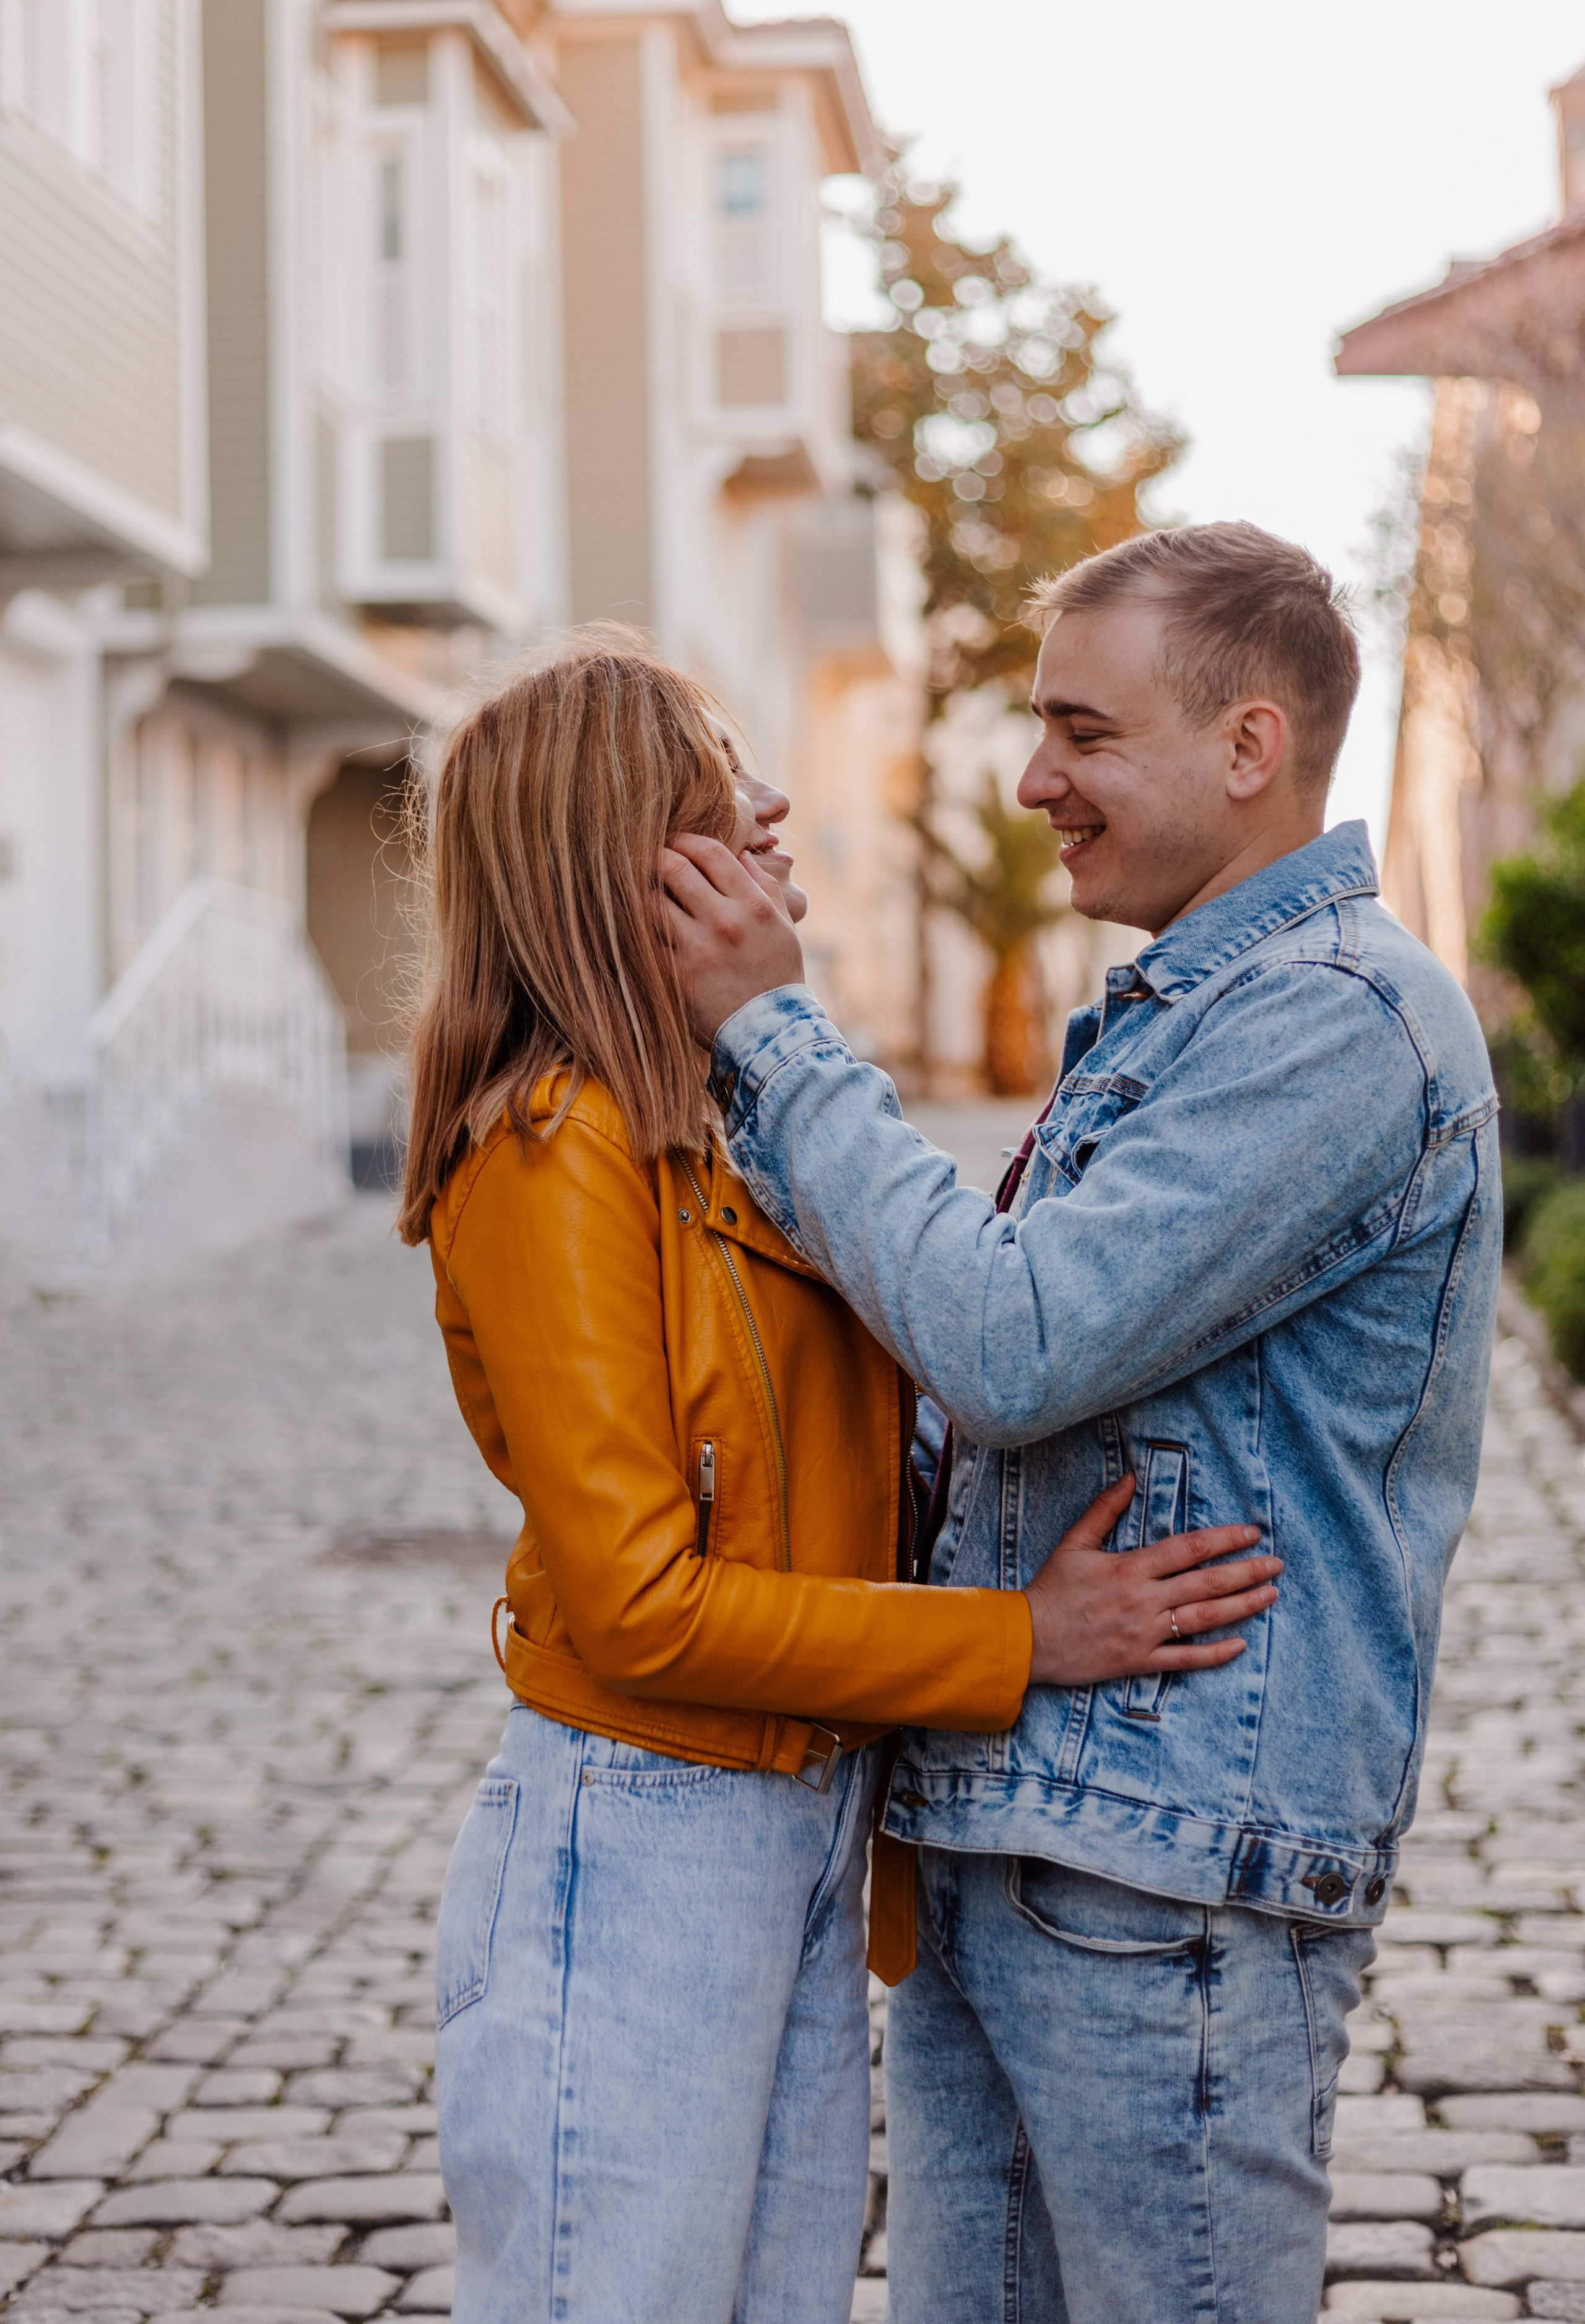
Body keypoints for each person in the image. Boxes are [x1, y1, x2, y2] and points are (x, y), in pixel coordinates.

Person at [660, 525, 1503, 2324]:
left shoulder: (1341, 1023)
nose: (1038, 779)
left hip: (1167, 1870)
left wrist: (777, 1036)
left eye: (1084, 733)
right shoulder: (1182, 1012)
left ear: (1249, 748)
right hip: (1022, 1830)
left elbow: (1017, 1343)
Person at [395, 630, 1279, 2324]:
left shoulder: (718, 1123)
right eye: (715, 791)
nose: (772, 810)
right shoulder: (551, 1145)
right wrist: (1025, 1644)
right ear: (613, 852)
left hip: (799, 1822)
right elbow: (639, 1605)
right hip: (640, 1832)